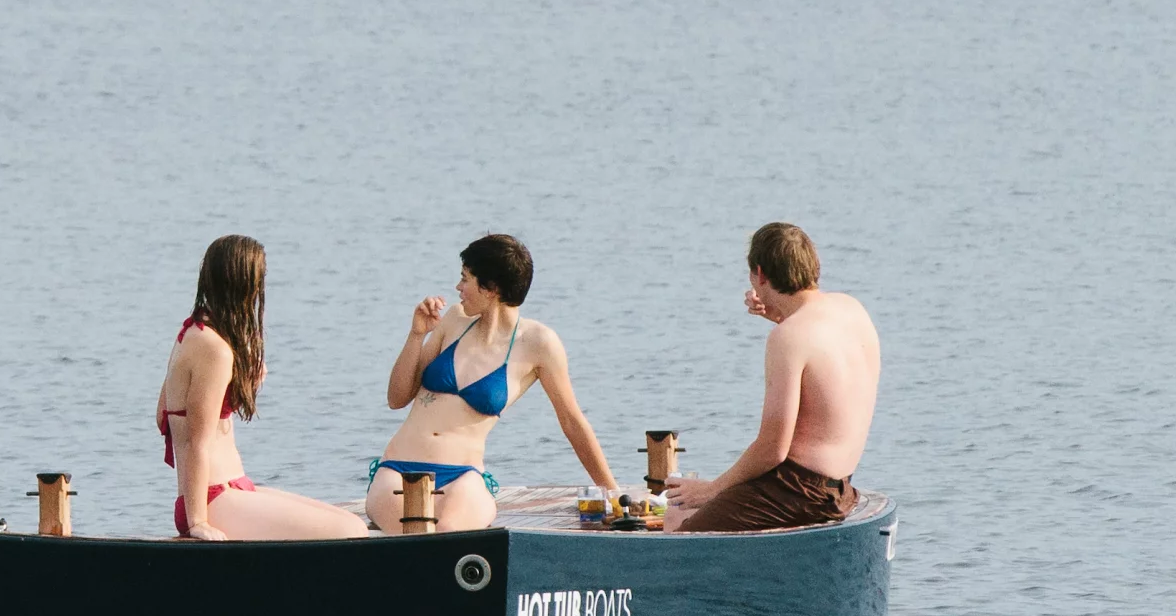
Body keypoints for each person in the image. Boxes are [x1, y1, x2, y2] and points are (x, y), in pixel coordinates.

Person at [368, 234, 619, 533]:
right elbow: (397, 398)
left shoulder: (538, 343)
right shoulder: (454, 320)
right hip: (398, 468)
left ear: (491, 288)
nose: (458, 288)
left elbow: (572, 421)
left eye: (465, 279)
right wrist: (416, 334)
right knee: (412, 532)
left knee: (449, 535)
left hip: (462, 475)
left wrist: (612, 492)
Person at [666, 223, 879, 533]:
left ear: (761, 275)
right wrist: (780, 315)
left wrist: (712, 489)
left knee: (676, 517)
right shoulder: (851, 308)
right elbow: (821, 353)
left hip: (796, 492)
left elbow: (772, 449)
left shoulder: (787, 337)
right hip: (840, 489)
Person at [158, 235, 369, 541]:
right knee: (350, 530)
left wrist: (242, 383)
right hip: (212, 499)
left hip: (232, 487)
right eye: (259, 279)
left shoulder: (191, 333)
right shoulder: (214, 349)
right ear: (243, 284)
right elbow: (195, 441)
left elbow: (162, 416)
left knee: (350, 521)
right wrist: (197, 523)